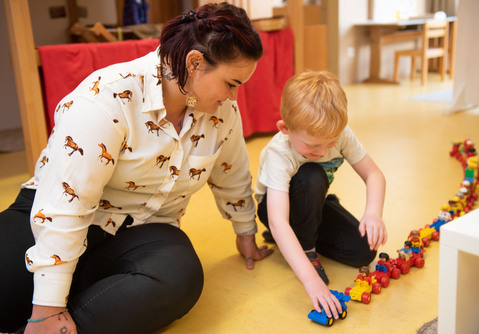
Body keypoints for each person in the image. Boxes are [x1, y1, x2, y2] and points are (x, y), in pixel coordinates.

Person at [0, 3, 273, 334]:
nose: (234, 96)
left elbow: (233, 173)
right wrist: (48, 308)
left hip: (141, 230)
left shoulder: (221, 111)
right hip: (51, 217)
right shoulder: (107, 97)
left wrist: (245, 232)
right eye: (232, 83)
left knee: (179, 276)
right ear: (195, 63)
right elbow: (65, 204)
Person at [255, 71, 387, 319]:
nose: (322, 151)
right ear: (285, 129)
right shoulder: (278, 153)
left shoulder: (341, 135)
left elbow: (374, 175)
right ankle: (305, 247)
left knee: (364, 251)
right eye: (312, 145)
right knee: (312, 174)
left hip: (313, 203)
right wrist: (310, 280)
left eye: (330, 143)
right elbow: (278, 220)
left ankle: (304, 232)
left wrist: (373, 213)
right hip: (276, 210)